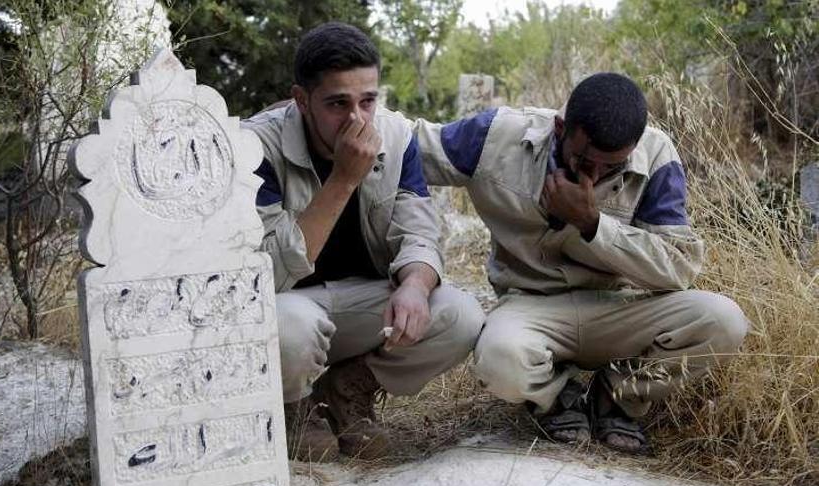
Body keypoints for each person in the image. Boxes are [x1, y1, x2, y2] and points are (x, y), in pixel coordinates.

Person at [414, 72, 748, 454]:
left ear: (634, 146)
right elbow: (409, 146)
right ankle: (559, 398)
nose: (595, 175)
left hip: (619, 308)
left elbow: (679, 268)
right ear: (561, 128)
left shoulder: (656, 153)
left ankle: (617, 398)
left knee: (724, 320)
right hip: (530, 306)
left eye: (613, 167)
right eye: (585, 160)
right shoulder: (497, 135)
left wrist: (592, 224)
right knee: (499, 360)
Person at [243, 22, 484, 462]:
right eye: (338, 103)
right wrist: (343, 180)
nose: (357, 119)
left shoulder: (396, 136)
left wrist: (414, 284)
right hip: (286, 305)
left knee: (460, 315)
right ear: (302, 100)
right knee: (289, 327)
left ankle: (344, 393)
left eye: (368, 100)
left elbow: (420, 232)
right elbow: (264, 275)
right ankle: (292, 406)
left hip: (359, 305)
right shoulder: (254, 146)